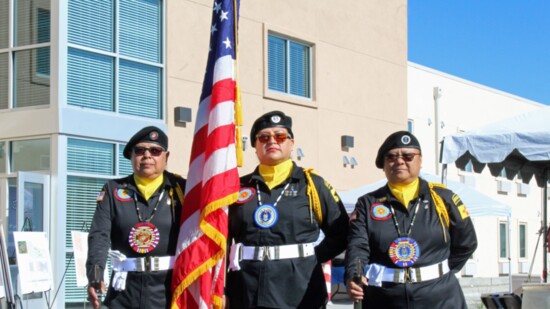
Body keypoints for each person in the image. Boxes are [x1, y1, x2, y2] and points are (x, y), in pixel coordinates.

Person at [226, 111, 349, 308]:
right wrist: (222, 288)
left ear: (291, 143)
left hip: (298, 290)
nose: (272, 141)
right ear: (255, 146)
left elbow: (341, 232)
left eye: (280, 136)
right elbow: (222, 240)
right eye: (264, 137)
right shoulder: (237, 187)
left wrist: (312, 258)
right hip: (245, 289)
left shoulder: (312, 185)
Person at [344, 131, 477, 308]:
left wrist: (437, 274)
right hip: (385, 299)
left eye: (408, 156)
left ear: (420, 160)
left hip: (441, 299)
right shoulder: (367, 203)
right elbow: (358, 246)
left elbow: (467, 243)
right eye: (391, 157)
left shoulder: (443, 198)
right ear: (383, 165)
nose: (399, 161)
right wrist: (354, 273)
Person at [86, 126, 186, 309]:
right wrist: (95, 274)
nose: (147, 155)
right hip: (124, 293)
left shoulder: (182, 189)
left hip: (168, 292)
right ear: (132, 156)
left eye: (155, 151)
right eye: (140, 151)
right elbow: (99, 235)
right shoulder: (113, 190)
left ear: (166, 156)